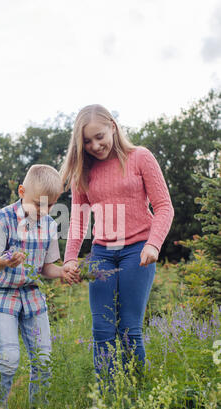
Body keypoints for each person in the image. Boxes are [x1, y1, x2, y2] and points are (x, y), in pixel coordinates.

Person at [60, 104, 174, 385]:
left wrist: (153, 244)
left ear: (112, 125)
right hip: (102, 253)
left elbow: (164, 207)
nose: (95, 145)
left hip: (138, 250)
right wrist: (70, 259)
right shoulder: (83, 172)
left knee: (129, 328)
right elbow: (78, 219)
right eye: (87, 141)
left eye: (99, 136)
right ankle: (107, 398)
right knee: (102, 328)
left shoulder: (140, 158)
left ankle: (137, 394)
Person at [0, 164, 78, 409]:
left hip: (31, 294)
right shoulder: (3, 219)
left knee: (44, 361)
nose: (42, 212)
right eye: (37, 204)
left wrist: (63, 271)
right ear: (21, 192)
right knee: (10, 358)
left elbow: (47, 268)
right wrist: (4, 260)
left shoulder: (48, 225)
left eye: (49, 206)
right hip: (2, 294)